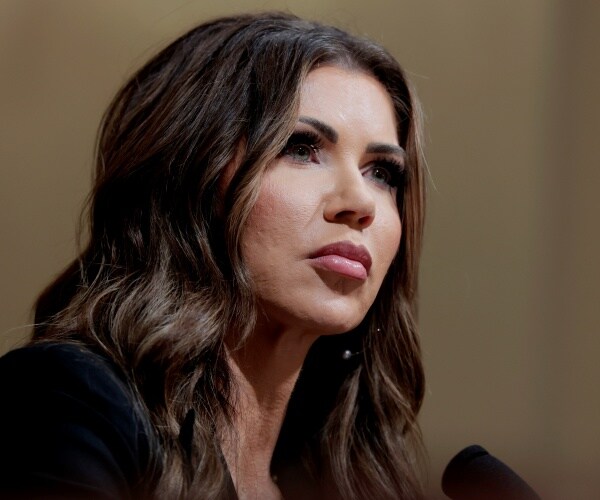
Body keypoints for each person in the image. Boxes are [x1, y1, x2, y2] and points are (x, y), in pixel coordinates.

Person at [0, 11, 426, 500]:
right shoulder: (69, 402)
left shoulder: (351, 480)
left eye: (382, 173)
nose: (360, 203)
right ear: (191, 178)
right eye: (300, 148)